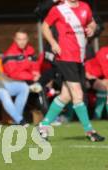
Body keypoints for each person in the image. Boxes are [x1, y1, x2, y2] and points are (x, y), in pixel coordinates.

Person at [38, 0, 104, 142]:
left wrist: (92, 27)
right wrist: (54, 43)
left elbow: (92, 22)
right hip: (65, 57)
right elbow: (45, 27)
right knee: (78, 94)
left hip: (79, 58)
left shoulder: (84, 6)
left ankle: (43, 126)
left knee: (66, 96)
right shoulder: (59, 9)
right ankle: (89, 131)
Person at [85, 46, 108, 119]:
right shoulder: (104, 51)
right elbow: (105, 68)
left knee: (105, 85)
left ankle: (97, 116)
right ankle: (97, 116)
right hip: (87, 75)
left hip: (99, 77)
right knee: (105, 86)